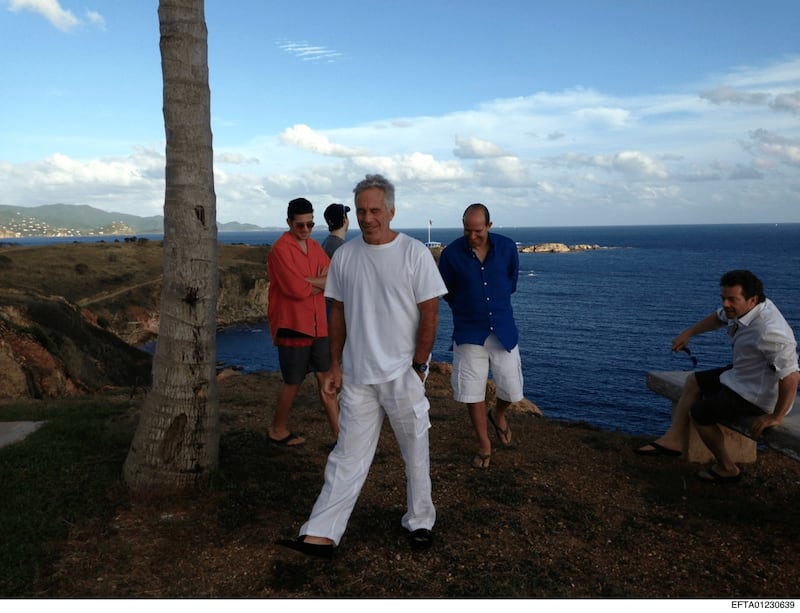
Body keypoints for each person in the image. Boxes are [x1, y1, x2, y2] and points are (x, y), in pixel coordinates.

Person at [277, 174, 447, 558]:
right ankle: (322, 532)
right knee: (347, 455)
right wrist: (335, 365)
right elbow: (336, 313)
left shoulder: (414, 253)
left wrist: (419, 365)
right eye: (363, 210)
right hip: (356, 375)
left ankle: (420, 521)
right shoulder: (347, 256)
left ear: (390, 211)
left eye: (376, 210)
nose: (369, 218)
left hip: (402, 374)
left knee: (415, 449)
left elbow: (430, 313)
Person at [635, 270, 799, 482]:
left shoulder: (771, 331)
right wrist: (689, 332)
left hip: (756, 396)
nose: (725, 304)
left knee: (701, 413)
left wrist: (775, 416)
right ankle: (673, 440)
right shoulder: (745, 309)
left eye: (732, 299)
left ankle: (727, 468)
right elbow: (718, 318)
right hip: (743, 375)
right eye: (723, 298)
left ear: (752, 299)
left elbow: (792, 376)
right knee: (693, 381)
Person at [438, 203, 524, 469]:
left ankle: (497, 413)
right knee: (471, 392)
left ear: (489, 226)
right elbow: (446, 290)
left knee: (512, 389)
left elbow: (511, 282)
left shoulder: (508, 248)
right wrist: (468, 308)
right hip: (468, 332)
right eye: (467, 230)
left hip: (503, 330)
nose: (472, 236)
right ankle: (484, 445)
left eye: (478, 231)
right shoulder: (451, 254)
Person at [266, 197, 339, 446]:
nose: (306, 230)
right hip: (292, 324)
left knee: (325, 379)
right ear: (288, 222)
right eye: (300, 226)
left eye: (310, 224)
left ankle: (342, 438)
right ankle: (277, 429)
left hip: (319, 324)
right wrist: (318, 282)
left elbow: (334, 278)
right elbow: (296, 291)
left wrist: (309, 282)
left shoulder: (315, 247)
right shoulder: (280, 250)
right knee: (293, 382)